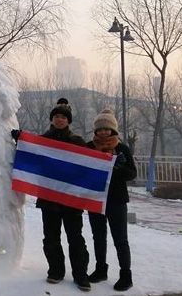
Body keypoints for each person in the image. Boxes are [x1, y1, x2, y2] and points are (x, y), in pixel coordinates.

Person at [19, 98, 91, 291]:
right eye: (56, 116)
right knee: (51, 237)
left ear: (68, 121)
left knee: (75, 238)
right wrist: (21, 140)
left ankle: (80, 274)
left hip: (71, 200)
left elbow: (89, 164)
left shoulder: (77, 142)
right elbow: (32, 156)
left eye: (63, 117)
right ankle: (56, 271)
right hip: (49, 199)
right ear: (52, 119)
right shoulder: (43, 141)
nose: (59, 120)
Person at [86, 109, 136, 292]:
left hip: (117, 200)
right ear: (96, 131)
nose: (104, 132)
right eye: (100, 129)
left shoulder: (122, 148)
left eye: (107, 129)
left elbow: (132, 174)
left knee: (120, 239)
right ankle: (101, 270)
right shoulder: (89, 147)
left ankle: (126, 275)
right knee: (98, 237)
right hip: (95, 198)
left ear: (113, 130)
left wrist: (119, 167)